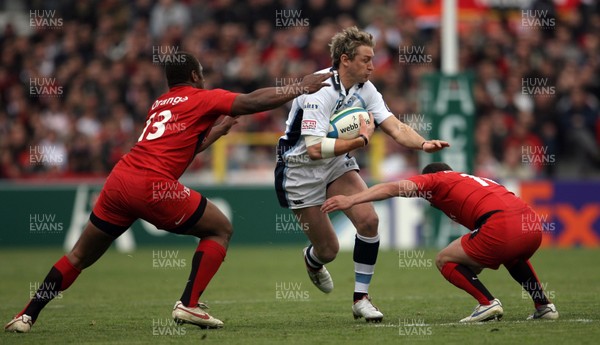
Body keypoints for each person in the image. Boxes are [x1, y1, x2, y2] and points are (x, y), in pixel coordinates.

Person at [5, 52, 332, 333]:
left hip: (120, 180)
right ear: (194, 75)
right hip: (152, 185)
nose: (203, 78)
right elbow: (249, 102)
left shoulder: (161, 103)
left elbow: (181, 149)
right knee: (220, 229)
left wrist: (217, 131)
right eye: (201, 73)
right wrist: (299, 86)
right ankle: (189, 304)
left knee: (78, 256)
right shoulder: (200, 97)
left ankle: (26, 315)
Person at [274, 26, 449, 322]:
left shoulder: (366, 89)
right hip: (300, 170)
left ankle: (361, 299)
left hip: (336, 163)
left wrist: (423, 143)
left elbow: (394, 126)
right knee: (328, 250)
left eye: (373, 59)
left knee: (369, 220)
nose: (372, 65)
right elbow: (315, 149)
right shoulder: (320, 90)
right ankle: (313, 259)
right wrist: (360, 141)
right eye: (366, 59)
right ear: (345, 60)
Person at [321, 162, 559, 322]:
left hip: (501, 227)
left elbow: (392, 188)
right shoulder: (475, 180)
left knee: (444, 259)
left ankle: (487, 303)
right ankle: (543, 305)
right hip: (532, 227)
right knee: (511, 255)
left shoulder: (435, 181)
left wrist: (351, 200)